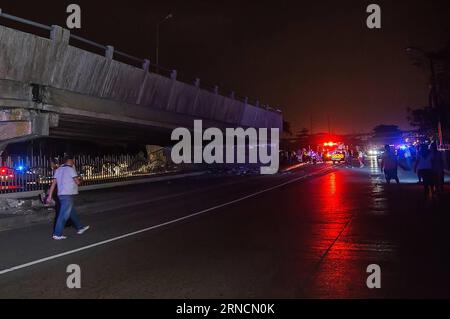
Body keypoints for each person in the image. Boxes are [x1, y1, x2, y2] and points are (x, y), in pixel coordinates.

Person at [47, 154, 90, 240]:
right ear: (70, 161)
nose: (74, 162)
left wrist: (49, 196)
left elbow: (53, 184)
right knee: (63, 215)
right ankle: (57, 234)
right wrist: (81, 179)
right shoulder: (71, 169)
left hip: (61, 195)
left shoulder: (58, 170)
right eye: (73, 160)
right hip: (68, 195)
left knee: (71, 212)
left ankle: (80, 228)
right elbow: (77, 182)